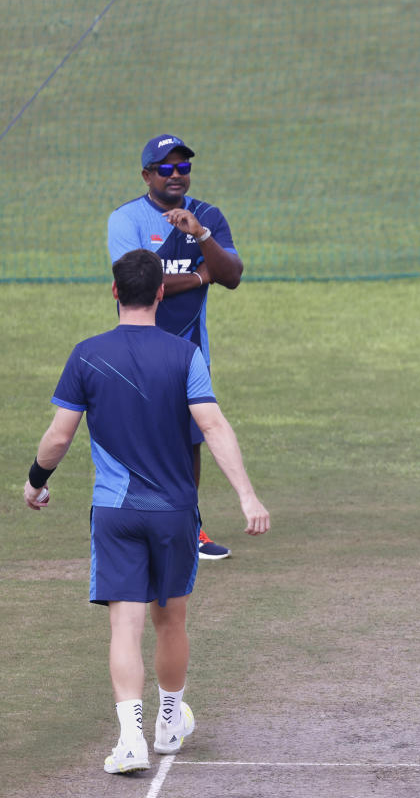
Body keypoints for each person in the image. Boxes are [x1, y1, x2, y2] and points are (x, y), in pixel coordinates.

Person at [22, 249, 270, 774]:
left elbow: (59, 436)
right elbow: (214, 427)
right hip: (174, 512)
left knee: (124, 628)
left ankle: (130, 739)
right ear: (160, 293)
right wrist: (246, 495)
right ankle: (168, 722)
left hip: (116, 513)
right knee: (171, 621)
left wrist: (36, 481)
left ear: (114, 292)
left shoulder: (87, 355)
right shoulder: (184, 355)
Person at [108, 134, 245, 559]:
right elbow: (141, 283)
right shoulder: (126, 219)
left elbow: (233, 274)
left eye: (182, 167)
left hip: (190, 350)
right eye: (165, 169)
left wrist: (201, 235)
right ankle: (135, 525)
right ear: (147, 175)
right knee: (142, 439)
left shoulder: (208, 217)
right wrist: (203, 277)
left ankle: (189, 529)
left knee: (189, 442)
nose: (175, 175)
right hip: (138, 348)